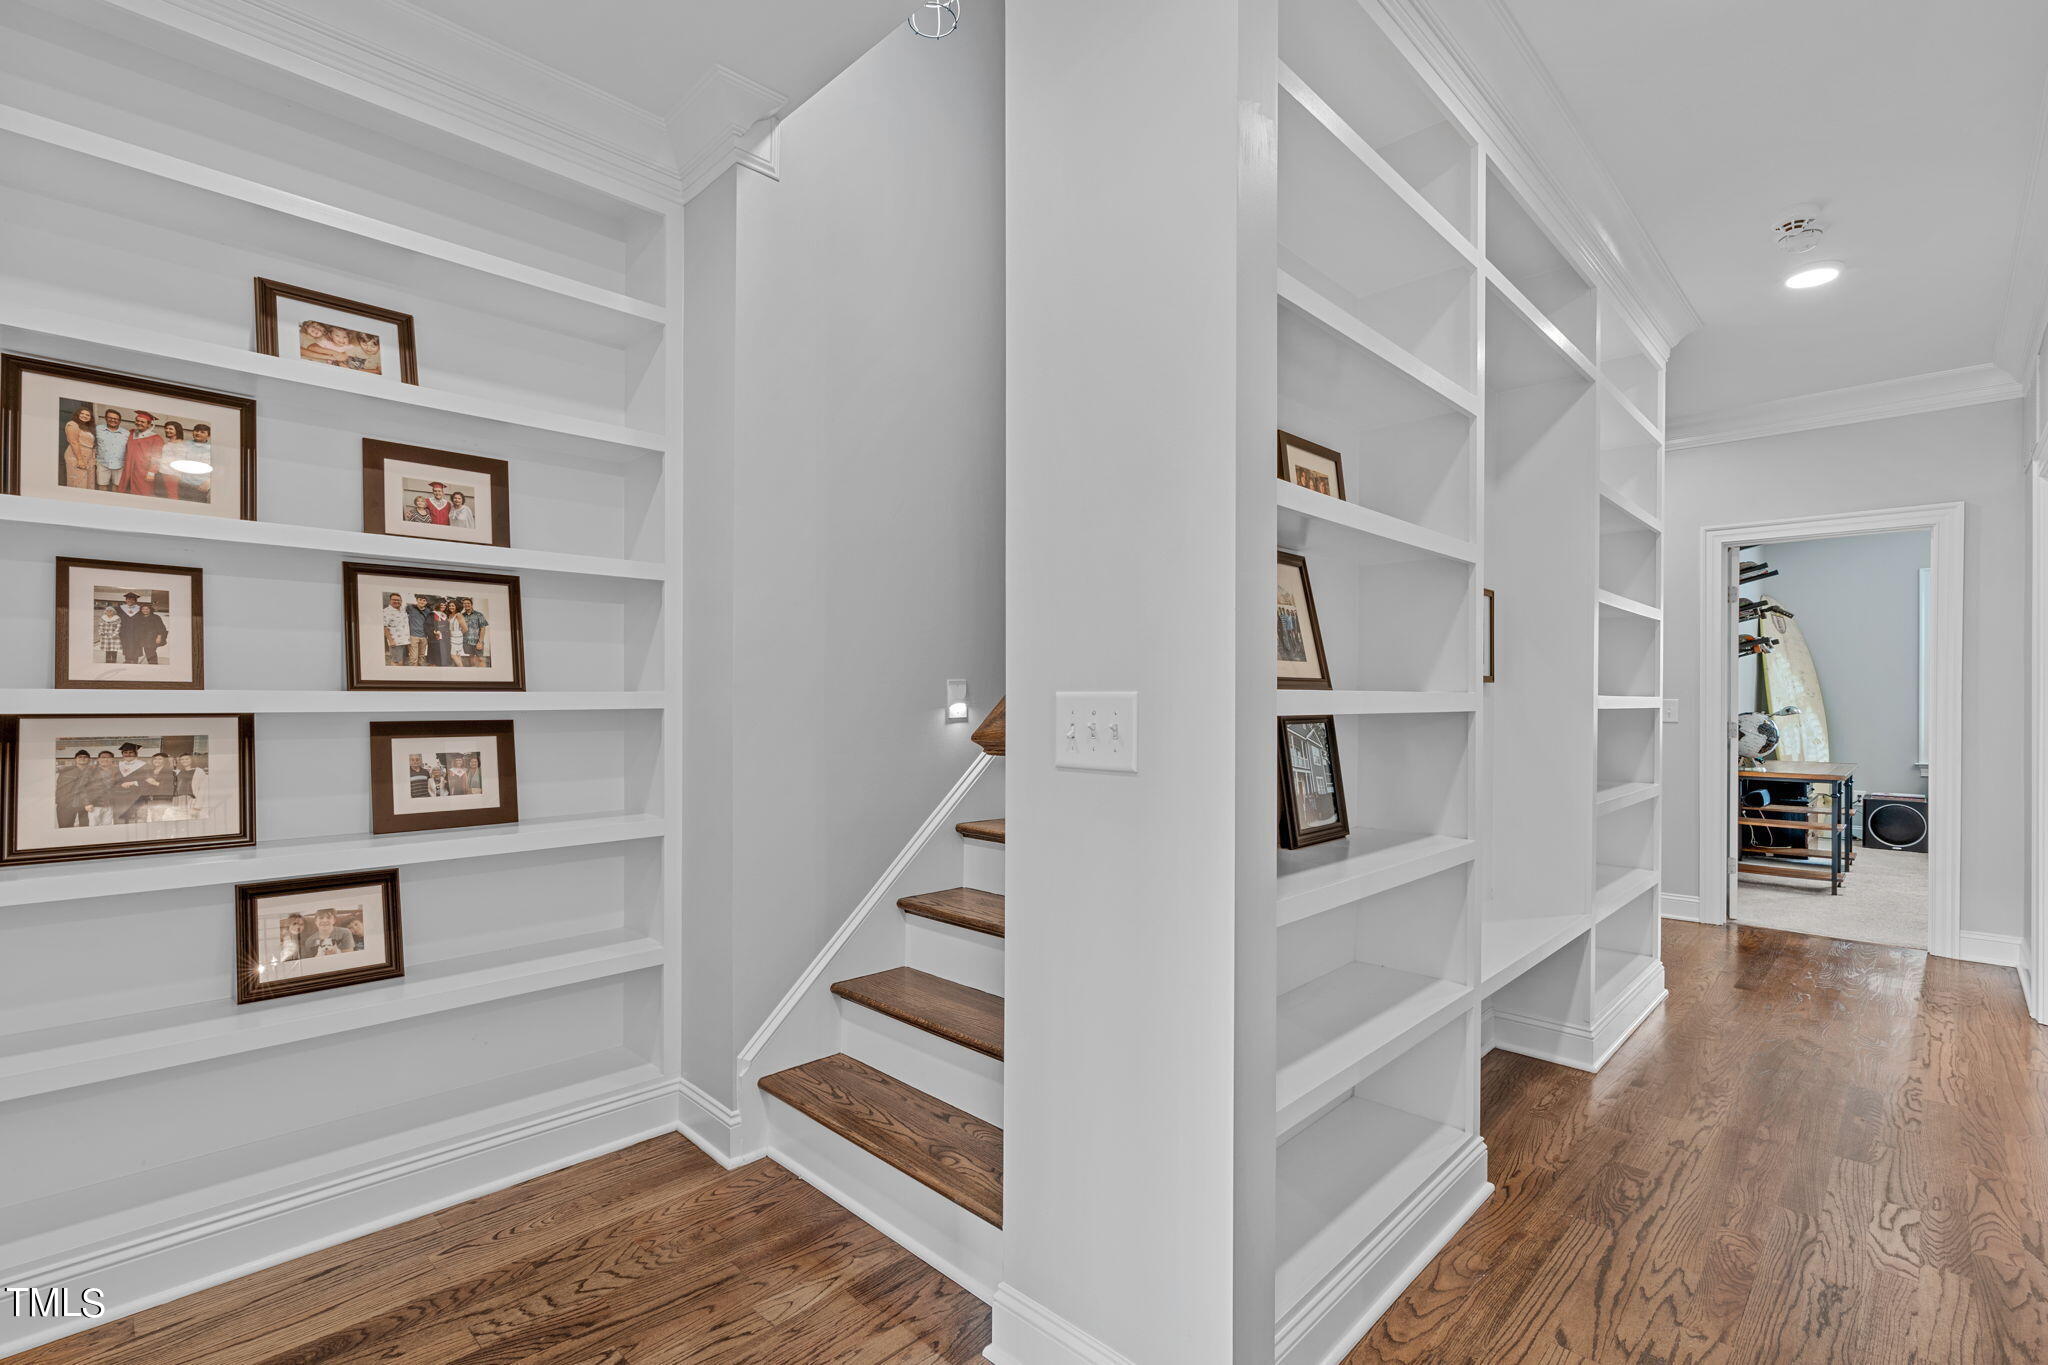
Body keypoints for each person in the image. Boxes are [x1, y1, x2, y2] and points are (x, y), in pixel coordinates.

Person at [120, 411, 163, 498]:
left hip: (143, 470)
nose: (139, 423)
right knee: (126, 490)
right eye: (137, 421)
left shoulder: (156, 438)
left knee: (143, 491)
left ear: (149, 424)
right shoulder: (131, 433)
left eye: (142, 422)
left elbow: (157, 457)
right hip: (129, 468)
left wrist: (152, 472)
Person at [107, 742, 149, 823]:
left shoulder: (143, 765)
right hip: (119, 799)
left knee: (136, 823)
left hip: (136, 798)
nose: (128, 754)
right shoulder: (118, 765)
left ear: (136, 753)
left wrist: (133, 783)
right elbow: (113, 782)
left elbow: (147, 782)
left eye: (131, 752)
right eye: (125, 752)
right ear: (122, 754)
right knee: (119, 822)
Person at [130, 751, 175, 821]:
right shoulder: (150, 771)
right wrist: (133, 783)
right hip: (149, 799)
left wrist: (156, 783)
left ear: (165, 761)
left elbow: (170, 787)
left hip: (161, 800)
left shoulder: (169, 772)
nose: (157, 760)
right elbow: (144, 783)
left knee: (157, 819)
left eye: (160, 759)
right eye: (155, 759)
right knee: (148, 819)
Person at [55, 750, 94, 828]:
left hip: (85, 806)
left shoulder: (93, 772)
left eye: (85, 757)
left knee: (85, 828)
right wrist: (60, 801)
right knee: (65, 827)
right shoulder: (66, 771)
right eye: (80, 757)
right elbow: (59, 787)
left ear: (89, 760)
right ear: (75, 759)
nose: (82, 758)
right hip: (66, 805)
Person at [93, 408, 129, 491]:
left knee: (117, 486)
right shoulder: (98, 429)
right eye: (110, 418)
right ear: (106, 418)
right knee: (102, 486)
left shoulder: (126, 433)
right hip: (102, 463)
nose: (113, 420)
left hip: (119, 464)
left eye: (116, 419)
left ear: (120, 421)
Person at [63, 405, 96, 489]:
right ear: (77, 414)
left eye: (87, 415)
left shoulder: (88, 428)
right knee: (79, 482)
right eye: (82, 413)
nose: (84, 416)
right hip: (76, 456)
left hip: (89, 457)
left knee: (89, 482)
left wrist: (93, 459)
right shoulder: (72, 424)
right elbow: (74, 442)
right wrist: (80, 460)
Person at [180, 422, 214, 501]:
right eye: (196, 431)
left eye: (202, 432)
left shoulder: (212, 449)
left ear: (208, 436)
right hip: (183, 483)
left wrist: (209, 482)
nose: (198, 433)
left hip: (200, 485)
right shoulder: (185, 445)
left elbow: (218, 469)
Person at [82, 751, 117, 825]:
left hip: (109, 805)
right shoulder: (90, 771)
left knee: (107, 828)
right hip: (94, 805)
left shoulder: (116, 771)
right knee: (94, 828)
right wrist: (87, 803)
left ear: (112, 759)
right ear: (98, 759)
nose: (105, 759)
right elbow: (82, 787)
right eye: (103, 757)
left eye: (108, 758)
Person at [114, 593, 149, 665]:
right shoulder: (120, 608)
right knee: (126, 644)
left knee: (136, 645)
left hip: (137, 631)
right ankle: (127, 659)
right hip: (125, 631)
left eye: (133, 599)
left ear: (135, 601)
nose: (130, 601)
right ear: (126, 600)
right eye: (129, 599)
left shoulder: (139, 609)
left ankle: (135, 660)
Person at [172, 752, 208, 820]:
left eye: (187, 759)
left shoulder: (199, 771)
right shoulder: (179, 772)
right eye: (182, 759)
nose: (184, 761)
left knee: (192, 820)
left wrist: (197, 806)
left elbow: (202, 790)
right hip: (180, 800)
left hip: (192, 800)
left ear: (192, 760)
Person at [380, 592, 409, 666]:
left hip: (405, 641)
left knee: (402, 660)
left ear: (401, 601)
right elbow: (384, 627)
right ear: (390, 601)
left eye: (398, 600)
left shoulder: (402, 610)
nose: (396, 601)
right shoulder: (386, 611)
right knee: (396, 661)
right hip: (395, 642)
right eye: (394, 600)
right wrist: (391, 640)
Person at [460, 597, 487, 667]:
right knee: (471, 657)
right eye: (464, 603)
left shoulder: (479, 615)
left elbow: (483, 628)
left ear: (471, 604)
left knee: (480, 658)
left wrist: (480, 642)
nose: (466, 605)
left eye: (468, 603)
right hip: (466, 641)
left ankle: (484, 673)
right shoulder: (461, 616)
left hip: (477, 641)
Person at [426, 598, 454, 667]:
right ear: (438, 605)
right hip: (435, 640)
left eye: (444, 605)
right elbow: (428, 626)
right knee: (435, 659)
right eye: (441, 604)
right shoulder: (432, 614)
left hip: (445, 640)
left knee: (444, 658)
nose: (443, 606)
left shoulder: (444, 615)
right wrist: (434, 631)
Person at [406, 593, 431, 666]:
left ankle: (421, 674)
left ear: (426, 602)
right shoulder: (410, 607)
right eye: (420, 600)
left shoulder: (428, 611)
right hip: (413, 636)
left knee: (422, 656)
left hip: (424, 636)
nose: (422, 602)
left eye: (424, 600)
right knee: (413, 658)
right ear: (417, 600)